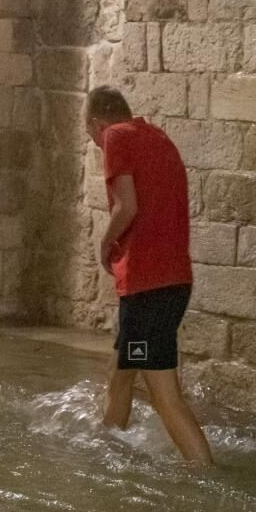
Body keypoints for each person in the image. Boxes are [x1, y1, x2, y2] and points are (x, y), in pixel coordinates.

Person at [86, 85, 213, 465]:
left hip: (148, 287)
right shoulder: (156, 136)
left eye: (91, 135)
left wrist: (106, 243)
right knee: (122, 369)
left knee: (163, 393)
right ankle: (108, 451)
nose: (96, 144)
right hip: (172, 282)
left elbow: (127, 206)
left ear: (98, 123)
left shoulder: (116, 136)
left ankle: (206, 474)